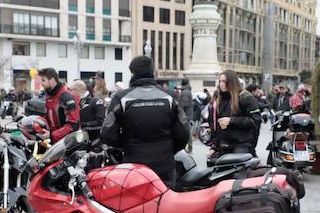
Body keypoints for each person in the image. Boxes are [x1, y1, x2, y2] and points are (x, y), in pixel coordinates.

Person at [100, 55, 190, 185]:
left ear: (132, 72)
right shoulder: (171, 97)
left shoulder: (121, 98)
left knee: (134, 203)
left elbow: (106, 133)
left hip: (133, 164)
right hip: (164, 163)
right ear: (153, 71)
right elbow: (184, 131)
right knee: (165, 202)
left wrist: (125, 144)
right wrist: (169, 148)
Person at [209, 69, 262, 155]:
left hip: (242, 145)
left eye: (224, 81)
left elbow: (255, 121)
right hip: (224, 145)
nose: (221, 84)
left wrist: (231, 120)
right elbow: (218, 127)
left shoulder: (246, 97)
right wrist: (214, 146)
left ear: (231, 82)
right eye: (220, 81)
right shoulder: (220, 99)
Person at [39, 67, 80, 142]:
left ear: (52, 80)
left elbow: (73, 125)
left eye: (43, 80)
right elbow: (49, 119)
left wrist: (51, 135)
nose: (41, 83)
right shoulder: (50, 97)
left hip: (68, 142)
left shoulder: (66, 97)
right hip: (55, 141)